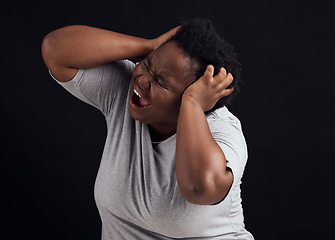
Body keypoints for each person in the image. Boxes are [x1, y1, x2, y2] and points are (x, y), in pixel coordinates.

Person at [41, 18, 254, 240]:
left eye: (161, 82)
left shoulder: (223, 131)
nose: (142, 80)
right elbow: (55, 49)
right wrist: (150, 46)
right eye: (147, 64)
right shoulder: (124, 94)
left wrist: (191, 103)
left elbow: (200, 189)